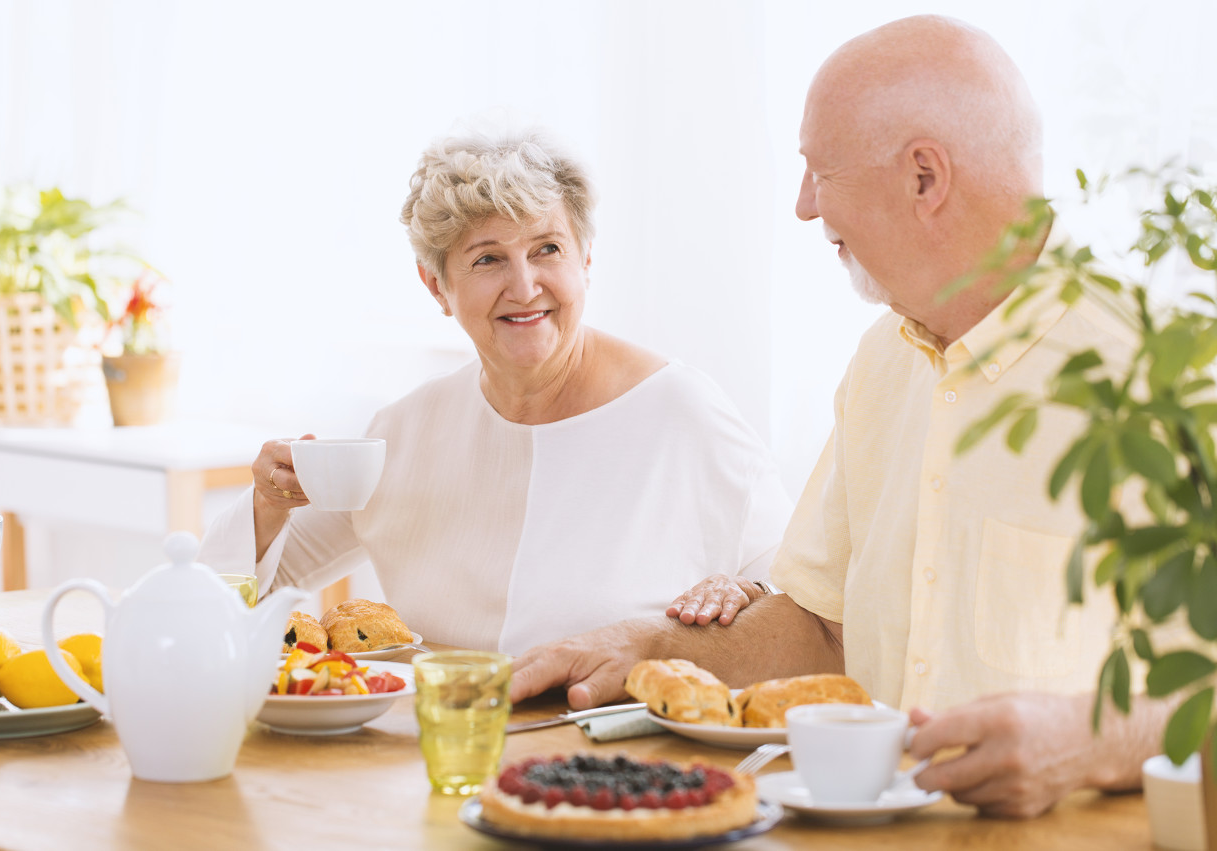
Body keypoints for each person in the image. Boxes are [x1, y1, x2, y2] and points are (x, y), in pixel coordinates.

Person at [510, 15, 1171, 819]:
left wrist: (1092, 739)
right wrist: (642, 646)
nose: (801, 206)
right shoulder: (882, 363)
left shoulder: (1164, 373)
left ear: (924, 178)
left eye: (820, 170)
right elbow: (824, 630)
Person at [198, 127, 792, 655]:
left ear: (585, 260)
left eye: (547, 250)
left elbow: (804, 603)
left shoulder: (679, 412)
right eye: (487, 260)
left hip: (612, 758)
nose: (525, 285)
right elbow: (232, 598)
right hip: (439, 752)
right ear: (437, 285)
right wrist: (268, 504)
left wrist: (745, 592)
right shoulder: (405, 431)